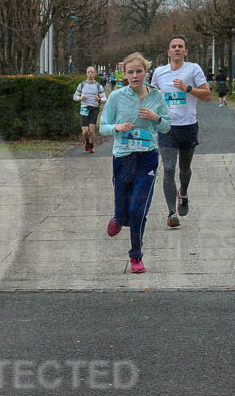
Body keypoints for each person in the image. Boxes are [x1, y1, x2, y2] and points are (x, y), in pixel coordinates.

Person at [99, 52, 171, 273]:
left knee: (139, 209)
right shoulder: (117, 97)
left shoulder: (157, 96)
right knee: (123, 209)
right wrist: (117, 128)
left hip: (147, 158)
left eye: (139, 71)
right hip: (123, 157)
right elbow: (103, 126)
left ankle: (136, 256)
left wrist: (155, 118)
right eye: (130, 72)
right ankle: (118, 218)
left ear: (146, 72)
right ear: (125, 74)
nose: (135, 75)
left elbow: (166, 126)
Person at [148, 36, 211, 228]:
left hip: (188, 126)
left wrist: (188, 88)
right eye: (173, 47)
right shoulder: (159, 72)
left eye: (180, 46)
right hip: (167, 127)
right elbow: (151, 95)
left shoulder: (193, 69)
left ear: (185, 51)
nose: (177, 49)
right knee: (168, 169)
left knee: (184, 169)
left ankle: (183, 193)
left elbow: (207, 95)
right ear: (168, 52)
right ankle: (171, 212)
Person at [74, 66, 107, 153]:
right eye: (88, 72)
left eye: (92, 72)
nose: (90, 74)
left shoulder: (98, 86)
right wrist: (80, 98)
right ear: (86, 74)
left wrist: (99, 99)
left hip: (94, 108)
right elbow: (75, 97)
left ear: (95, 74)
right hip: (84, 108)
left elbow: (105, 98)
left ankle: (91, 147)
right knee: (85, 131)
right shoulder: (82, 85)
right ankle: (87, 142)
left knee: (92, 129)